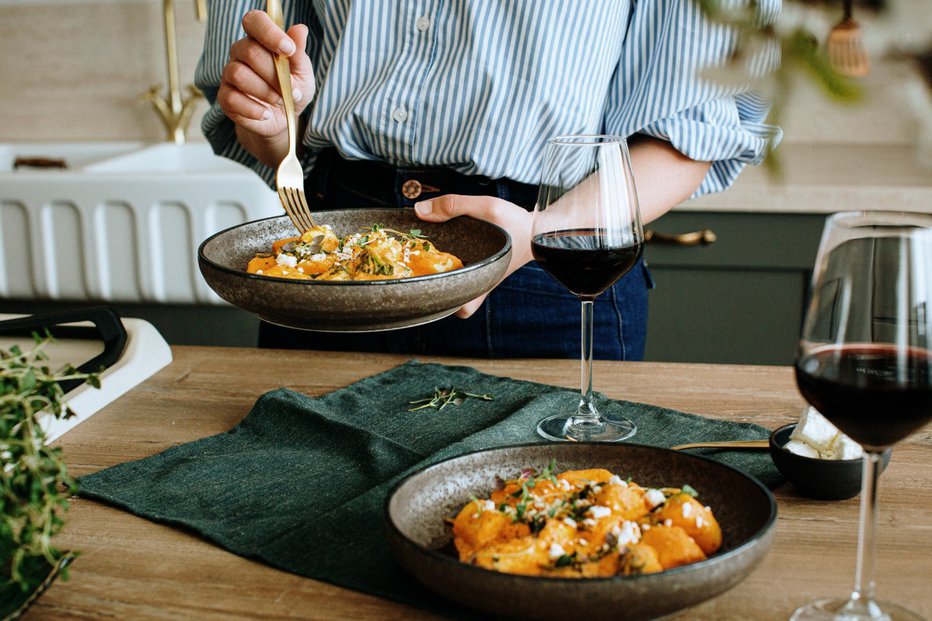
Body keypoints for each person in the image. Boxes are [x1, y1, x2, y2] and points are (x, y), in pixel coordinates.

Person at [194, 1, 780, 359]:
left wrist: (542, 231)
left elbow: (696, 128)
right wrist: (274, 122)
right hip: (333, 249)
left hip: (547, 258)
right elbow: (269, 112)